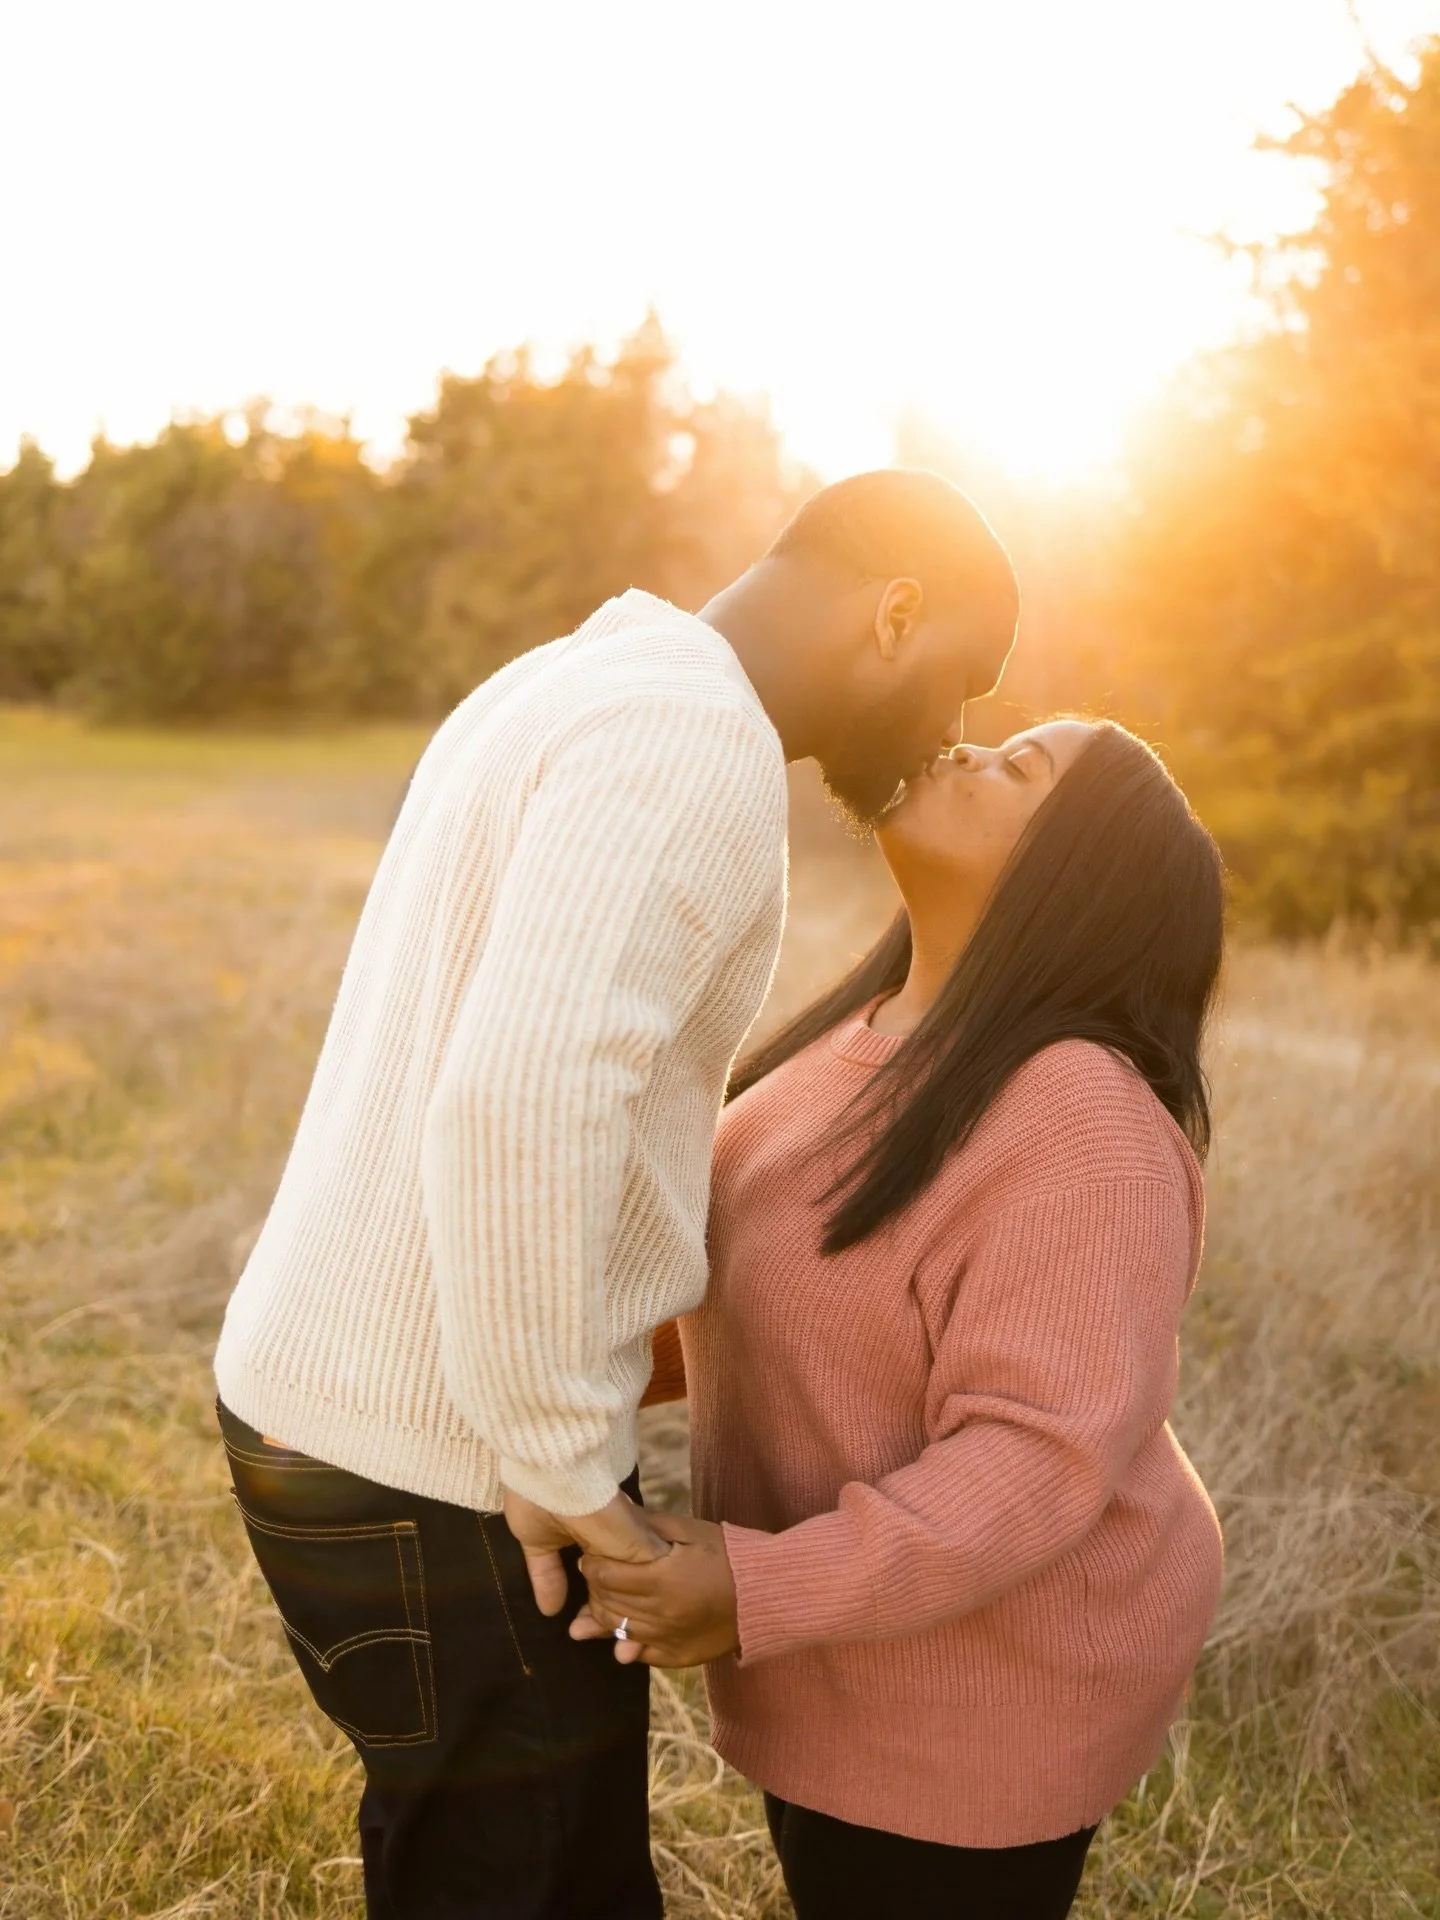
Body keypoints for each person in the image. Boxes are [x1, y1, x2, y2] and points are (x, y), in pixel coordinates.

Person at [211, 469, 1019, 1920]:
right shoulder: (689, 742)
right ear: (896, 613)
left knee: (466, 1859)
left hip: (326, 1413)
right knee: (540, 1882)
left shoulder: (581, 677)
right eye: (960, 682)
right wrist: (561, 1461)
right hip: (435, 1460)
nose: (951, 733)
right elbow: (518, 1099)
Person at [575, 718, 1226, 1920]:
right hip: (851, 1648)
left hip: (993, 1689)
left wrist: (756, 1589)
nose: (969, 747)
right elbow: (754, 1302)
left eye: (1019, 767)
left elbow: (1031, 1462)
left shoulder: (1082, 1120)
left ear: (1074, 875)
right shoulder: (850, 1040)